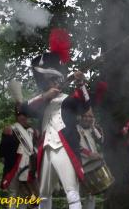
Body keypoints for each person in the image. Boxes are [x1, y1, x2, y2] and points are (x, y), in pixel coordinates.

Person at [18, 29, 91, 209]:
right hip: (45, 150)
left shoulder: (68, 99)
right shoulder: (41, 102)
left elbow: (85, 104)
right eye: (47, 82)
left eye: (52, 81)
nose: (51, 84)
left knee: (72, 193)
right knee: (43, 195)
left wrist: (80, 82)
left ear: (58, 81)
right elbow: (23, 109)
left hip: (63, 147)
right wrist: (45, 96)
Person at [0, 105, 38, 208]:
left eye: (24, 115)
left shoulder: (32, 131)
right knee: (13, 194)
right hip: (14, 166)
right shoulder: (10, 129)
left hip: (29, 167)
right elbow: (2, 152)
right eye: (20, 115)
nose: (22, 117)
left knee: (27, 196)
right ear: (16, 117)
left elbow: (35, 149)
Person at [78, 107, 104, 209]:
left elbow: (101, 141)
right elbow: (75, 146)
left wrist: (93, 127)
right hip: (80, 166)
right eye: (85, 116)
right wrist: (89, 154)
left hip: (93, 166)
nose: (87, 118)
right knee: (77, 196)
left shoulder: (93, 130)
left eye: (90, 116)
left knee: (91, 195)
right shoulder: (74, 128)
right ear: (80, 117)